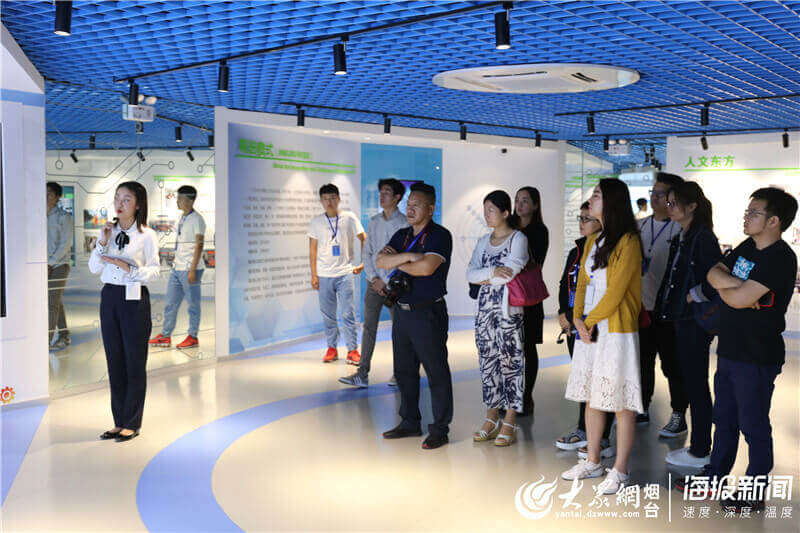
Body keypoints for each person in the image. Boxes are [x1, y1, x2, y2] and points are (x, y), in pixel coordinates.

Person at [693, 187, 798, 511]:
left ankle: (754, 492)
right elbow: (713, 273)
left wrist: (734, 291)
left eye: (754, 213)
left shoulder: (780, 257)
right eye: (747, 211)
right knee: (724, 419)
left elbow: (735, 297)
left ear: (774, 221)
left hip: (757, 355)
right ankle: (715, 477)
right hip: (730, 349)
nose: (746, 217)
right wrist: (739, 288)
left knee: (753, 426)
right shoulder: (748, 247)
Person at [562, 178, 644, 495]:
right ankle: (592, 460)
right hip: (591, 329)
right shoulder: (594, 239)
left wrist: (588, 321)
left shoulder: (628, 241)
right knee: (592, 395)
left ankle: (620, 469)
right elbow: (582, 284)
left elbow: (617, 291)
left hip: (615, 330)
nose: (591, 199)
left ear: (611, 201)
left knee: (621, 401)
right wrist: (577, 318)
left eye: (596, 194)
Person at [377, 183, 453, 450]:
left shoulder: (440, 236)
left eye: (416, 205)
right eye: (408, 205)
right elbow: (381, 262)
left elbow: (427, 268)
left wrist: (398, 260)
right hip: (402, 312)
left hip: (427, 312)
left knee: (436, 372)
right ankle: (410, 421)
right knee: (404, 371)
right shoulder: (402, 235)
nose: (409, 210)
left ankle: (440, 428)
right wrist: (409, 256)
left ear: (430, 209)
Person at [88, 182, 160, 442]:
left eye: (126, 199)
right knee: (114, 361)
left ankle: (132, 422)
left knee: (134, 362)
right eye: (117, 198)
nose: (119, 204)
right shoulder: (107, 231)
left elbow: (155, 271)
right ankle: (119, 421)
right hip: (110, 296)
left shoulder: (147, 235)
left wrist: (129, 269)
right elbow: (94, 268)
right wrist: (102, 242)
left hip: (134, 297)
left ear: (138, 205)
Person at [657, 181, 721, 468]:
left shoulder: (702, 237)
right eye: (668, 202)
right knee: (691, 381)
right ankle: (698, 446)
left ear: (692, 206)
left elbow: (716, 277)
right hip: (681, 318)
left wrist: (694, 295)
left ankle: (700, 449)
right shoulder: (684, 235)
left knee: (696, 384)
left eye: (674, 203)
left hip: (694, 321)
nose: (669, 207)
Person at [467, 190, 529, 447]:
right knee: (488, 365)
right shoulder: (483, 241)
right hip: (484, 313)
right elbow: (470, 274)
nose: (486, 215)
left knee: (511, 364)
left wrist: (485, 275)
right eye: (485, 210)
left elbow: (511, 273)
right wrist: (493, 271)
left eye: (491, 210)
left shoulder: (518, 239)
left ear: (505, 213)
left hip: (508, 312)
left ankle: (510, 420)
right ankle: (491, 418)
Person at [554, 202, 615, 456]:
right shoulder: (577, 250)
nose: (581, 223)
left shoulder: (613, 249)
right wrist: (565, 314)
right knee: (585, 379)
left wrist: (586, 319)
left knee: (604, 381)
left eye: (587, 218)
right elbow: (565, 284)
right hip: (576, 324)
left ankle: (602, 437)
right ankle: (584, 430)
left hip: (601, 325)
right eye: (580, 218)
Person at [339, 179, 408, 388]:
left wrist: (386, 281)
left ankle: (400, 373)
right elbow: (367, 252)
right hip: (373, 284)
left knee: (400, 331)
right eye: (381, 192)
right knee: (368, 328)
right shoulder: (374, 222)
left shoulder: (405, 224)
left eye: (387, 192)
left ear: (397, 197)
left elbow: (405, 258)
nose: (382, 196)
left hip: (395, 286)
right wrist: (374, 278)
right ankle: (362, 373)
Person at [637, 173, 688, 435]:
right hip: (641, 308)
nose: (655, 197)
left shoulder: (681, 229)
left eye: (661, 193)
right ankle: (641, 407)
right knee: (642, 362)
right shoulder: (639, 226)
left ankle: (679, 413)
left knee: (672, 365)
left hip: (669, 311)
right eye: (653, 192)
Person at [307, 183, 366, 364]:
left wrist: (364, 262)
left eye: (332, 198)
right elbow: (312, 249)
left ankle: (352, 350)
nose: (329, 202)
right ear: (321, 201)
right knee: (328, 315)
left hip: (345, 273)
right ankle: (332, 348)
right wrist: (314, 275)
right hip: (324, 275)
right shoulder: (316, 222)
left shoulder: (349, 217)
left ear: (339, 199)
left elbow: (364, 238)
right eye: (325, 199)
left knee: (348, 313)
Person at [149, 185, 206, 349]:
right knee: (170, 303)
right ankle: (165, 335)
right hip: (177, 267)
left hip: (190, 269)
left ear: (190, 200)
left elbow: (199, 245)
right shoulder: (182, 217)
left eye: (180, 198)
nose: (177, 201)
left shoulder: (197, 220)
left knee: (193, 305)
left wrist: (192, 270)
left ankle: (193, 337)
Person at [514, 186, 548, 416]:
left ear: (535, 205)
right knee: (511, 348)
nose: (519, 205)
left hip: (529, 295)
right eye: (517, 200)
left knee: (528, 347)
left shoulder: (539, 231)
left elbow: (532, 261)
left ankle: (527, 396)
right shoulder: (509, 226)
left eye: (525, 200)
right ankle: (512, 394)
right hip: (509, 294)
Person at [47, 182, 73, 351]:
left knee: (52, 303)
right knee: (55, 301)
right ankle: (64, 334)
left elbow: (65, 244)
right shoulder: (38, 216)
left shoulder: (64, 217)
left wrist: (50, 263)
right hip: (42, 265)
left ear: (57, 197)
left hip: (59, 264)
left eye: (49, 193)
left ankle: (46, 340)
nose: (45, 196)